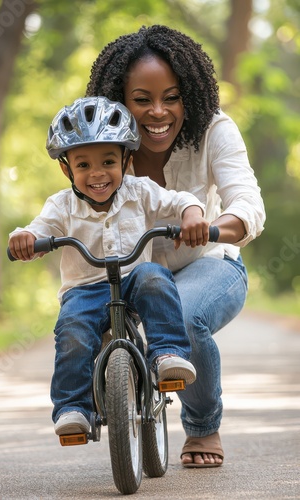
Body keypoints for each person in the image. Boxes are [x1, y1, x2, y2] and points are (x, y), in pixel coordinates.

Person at [86, 25, 266, 467]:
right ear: (119, 101)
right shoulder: (102, 143)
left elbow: (248, 203)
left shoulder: (214, 130)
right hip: (136, 268)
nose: (158, 112)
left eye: (171, 97)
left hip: (209, 262)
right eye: (142, 100)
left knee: (183, 317)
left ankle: (203, 426)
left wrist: (213, 226)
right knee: (82, 320)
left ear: (190, 95)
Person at [8, 96, 212, 437]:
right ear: (66, 169)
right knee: (72, 330)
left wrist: (191, 214)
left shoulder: (140, 190)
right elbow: (37, 229)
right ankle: (74, 407)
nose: (97, 173)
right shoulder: (61, 206)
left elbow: (179, 200)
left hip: (133, 279)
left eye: (107, 161)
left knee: (154, 276)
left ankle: (167, 355)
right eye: (84, 165)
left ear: (126, 159)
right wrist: (24, 238)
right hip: (84, 291)